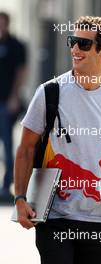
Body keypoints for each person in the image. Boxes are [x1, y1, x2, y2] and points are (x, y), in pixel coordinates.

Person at [14, 16, 101, 264]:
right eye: (72, 42)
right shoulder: (50, 92)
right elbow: (26, 149)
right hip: (54, 217)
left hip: (100, 221)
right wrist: (20, 199)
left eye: (84, 44)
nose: (75, 49)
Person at [0, 12, 26, 201]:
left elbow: (21, 72)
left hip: (6, 103)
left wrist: (14, 98)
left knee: (8, 145)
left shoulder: (16, 46)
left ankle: (6, 185)